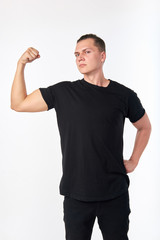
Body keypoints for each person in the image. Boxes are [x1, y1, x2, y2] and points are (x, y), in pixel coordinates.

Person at [10, 33, 151, 240]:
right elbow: (18, 104)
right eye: (76, 54)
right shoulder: (64, 92)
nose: (80, 58)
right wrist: (21, 64)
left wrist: (134, 160)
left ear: (102, 56)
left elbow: (144, 127)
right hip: (76, 193)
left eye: (86, 52)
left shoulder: (124, 95)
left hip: (114, 193)